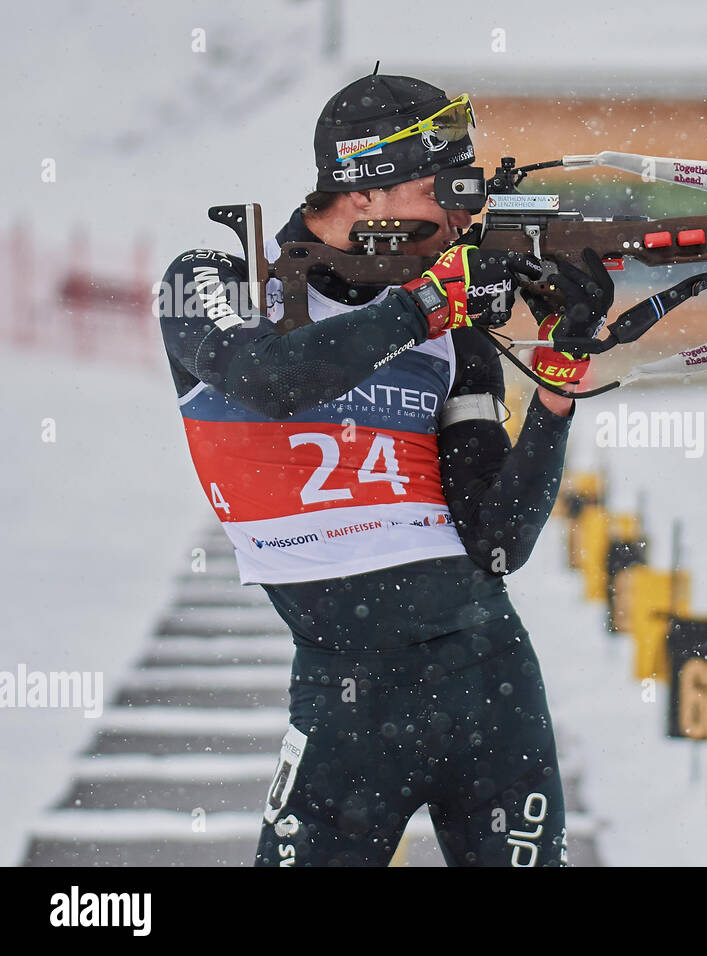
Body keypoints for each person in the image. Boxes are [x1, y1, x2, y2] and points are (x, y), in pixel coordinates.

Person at [156, 73, 613, 866]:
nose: (465, 216)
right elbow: (273, 380)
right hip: (345, 696)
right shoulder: (212, 279)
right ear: (367, 191)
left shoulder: (450, 325)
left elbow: (499, 540)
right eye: (449, 191)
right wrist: (425, 306)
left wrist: (557, 383)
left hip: (488, 678)